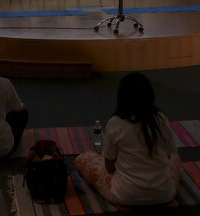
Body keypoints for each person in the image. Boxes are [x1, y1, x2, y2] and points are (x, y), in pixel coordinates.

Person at [75, 72, 180, 206]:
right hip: (164, 195)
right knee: (176, 158)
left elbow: (109, 167)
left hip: (125, 196)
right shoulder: (161, 119)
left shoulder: (115, 123)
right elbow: (171, 154)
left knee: (82, 159)